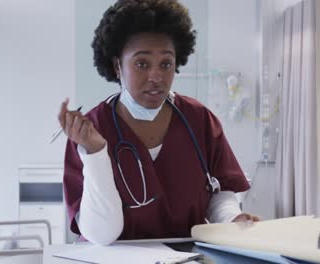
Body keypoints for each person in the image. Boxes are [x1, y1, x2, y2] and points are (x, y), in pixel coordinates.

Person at [58, 0, 259, 246]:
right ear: (117, 65)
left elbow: (219, 192)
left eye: (166, 64)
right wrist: (96, 153)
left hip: (183, 256)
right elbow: (101, 235)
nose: (156, 77)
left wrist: (232, 218)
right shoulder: (89, 131)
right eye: (142, 64)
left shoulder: (198, 120)